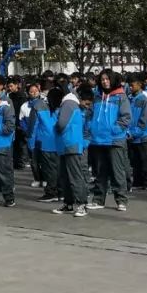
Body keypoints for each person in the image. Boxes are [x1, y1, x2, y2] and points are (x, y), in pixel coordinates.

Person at [87, 69, 131, 212]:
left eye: (107, 79)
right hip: (98, 140)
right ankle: (98, 199)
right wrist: (91, 128)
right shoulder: (97, 96)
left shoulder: (120, 96)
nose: (105, 82)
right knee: (100, 172)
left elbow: (126, 118)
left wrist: (114, 130)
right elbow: (90, 114)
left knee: (117, 171)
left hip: (114, 140)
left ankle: (121, 200)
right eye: (102, 79)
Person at [52, 84, 90, 217]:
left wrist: (55, 127)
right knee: (66, 177)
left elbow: (61, 124)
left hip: (70, 144)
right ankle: (69, 203)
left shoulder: (68, 104)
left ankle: (82, 204)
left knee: (74, 176)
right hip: (67, 144)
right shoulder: (70, 103)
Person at [31, 86, 61, 202]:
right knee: (58, 169)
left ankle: (51, 192)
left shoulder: (39, 106)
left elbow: (33, 126)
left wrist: (31, 142)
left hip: (46, 143)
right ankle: (60, 191)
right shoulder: (62, 108)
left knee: (50, 170)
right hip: (59, 142)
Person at [127, 75, 147, 191]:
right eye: (129, 84)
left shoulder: (144, 100)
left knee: (145, 161)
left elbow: (144, 120)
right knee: (135, 161)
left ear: (139, 84)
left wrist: (134, 133)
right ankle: (137, 181)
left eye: (132, 84)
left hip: (143, 136)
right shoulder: (129, 99)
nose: (130, 87)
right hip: (132, 136)